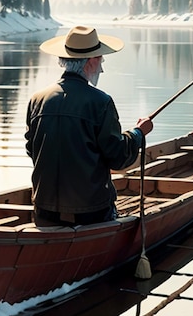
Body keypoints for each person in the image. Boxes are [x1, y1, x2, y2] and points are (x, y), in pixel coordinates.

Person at [25, 25, 153, 227]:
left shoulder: (37, 99)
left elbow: (32, 149)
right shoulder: (100, 102)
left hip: (43, 208)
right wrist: (138, 133)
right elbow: (117, 157)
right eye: (101, 59)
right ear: (91, 61)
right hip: (91, 211)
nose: (102, 66)